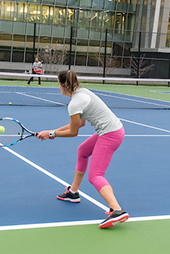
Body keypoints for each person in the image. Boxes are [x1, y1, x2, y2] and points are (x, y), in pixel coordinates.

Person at [37, 70, 128, 229]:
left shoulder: (74, 103)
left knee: (95, 175)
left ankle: (117, 210)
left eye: (58, 84)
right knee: (83, 151)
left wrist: (51, 134)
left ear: (63, 85)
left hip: (110, 134)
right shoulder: (81, 93)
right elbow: (79, 123)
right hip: (112, 130)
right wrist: (51, 132)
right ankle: (73, 192)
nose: (58, 86)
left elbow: (74, 132)